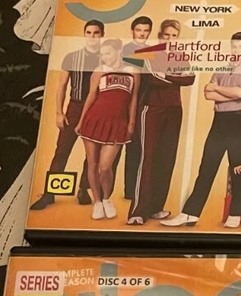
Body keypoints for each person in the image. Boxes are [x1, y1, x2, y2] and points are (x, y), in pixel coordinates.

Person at [161, 32, 241, 228]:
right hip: (219, 121)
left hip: (240, 122)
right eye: (235, 46)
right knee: (206, 167)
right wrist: (228, 94)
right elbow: (208, 93)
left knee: (237, 168)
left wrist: (219, 90)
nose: (237, 50)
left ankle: (235, 214)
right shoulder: (223, 67)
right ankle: (190, 213)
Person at [31, 19, 104, 210]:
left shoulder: (106, 59)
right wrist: (59, 112)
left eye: (96, 33)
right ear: (84, 34)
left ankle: (83, 189)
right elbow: (62, 86)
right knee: (62, 150)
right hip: (75, 107)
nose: (92, 36)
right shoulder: (72, 57)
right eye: (89, 32)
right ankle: (49, 194)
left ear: (102, 35)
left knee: (92, 154)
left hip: (97, 109)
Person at [127, 20, 195, 225]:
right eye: (167, 35)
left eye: (174, 36)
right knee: (147, 159)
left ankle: (156, 208)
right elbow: (153, 79)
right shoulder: (148, 53)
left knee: (167, 159)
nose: (170, 39)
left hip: (174, 109)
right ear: (160, 35)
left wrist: (167, 75)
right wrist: (174, 76)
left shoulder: (180, 56)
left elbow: (190, 79)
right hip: (151, 109)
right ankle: (137, 211)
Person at [76, 38, 138, 221]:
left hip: (117, 123)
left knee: (105, 167)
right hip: (94, 120)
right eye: (102, 54)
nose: (105, 57)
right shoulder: (100, 70)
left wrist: (131, 122)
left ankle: (106, 199)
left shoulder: (132, 71)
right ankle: (97, 202)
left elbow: (133, 99)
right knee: (92, 164)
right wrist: (81, 121)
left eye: (108, 53)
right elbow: (91, 96)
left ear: (119, 51)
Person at [121, 15, 153, 200]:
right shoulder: (125, 49)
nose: (142, 33)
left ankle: (133, 190)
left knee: (138, 147)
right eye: (139, 30)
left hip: (144, 103)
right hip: (124, 101)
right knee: (121, 144)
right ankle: (124, 191)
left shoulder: (151, 51)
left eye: (146, 30)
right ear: (132, 30)